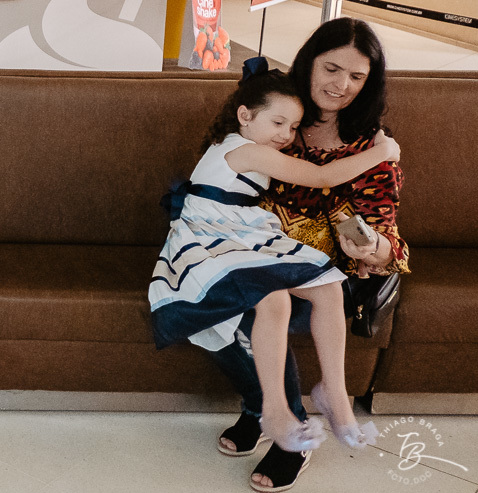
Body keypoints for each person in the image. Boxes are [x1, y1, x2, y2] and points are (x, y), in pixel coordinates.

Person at [150, 60, 397, 463]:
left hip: (242, 232)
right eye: (278, 123)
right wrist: (383, 151)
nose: (286, 135)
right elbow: (321, 178)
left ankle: (333, 392)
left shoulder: (246, 144)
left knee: (329, 287)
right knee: (274, 299)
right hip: (210, 238)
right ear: (244, 116)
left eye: (293, 127)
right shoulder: (244, 149)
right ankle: (275, 410)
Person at [210, 18, 411, 493]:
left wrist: (371, 246)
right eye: (332, 68)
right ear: (309, 63)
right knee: (241, 297)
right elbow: (226, 184)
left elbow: (384, 234)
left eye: (357, 76)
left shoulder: (372, 145)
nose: (341, 85)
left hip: (328, 277)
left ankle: (285, 430)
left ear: (369, 83)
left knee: (264, 300)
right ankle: (271, 413)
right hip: (254, 253)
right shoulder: (276, 118)